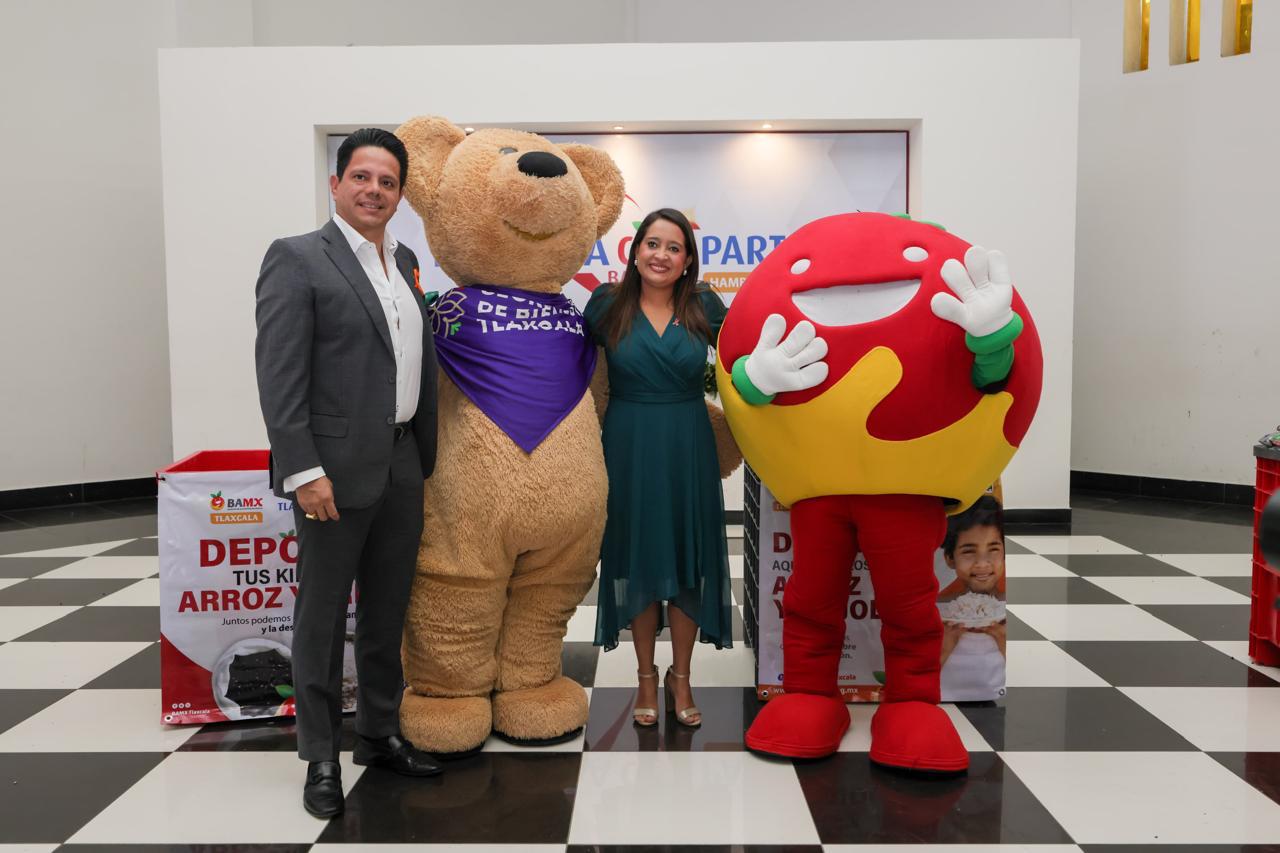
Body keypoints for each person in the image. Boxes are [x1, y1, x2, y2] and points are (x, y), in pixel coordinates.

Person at [254, 127, 442, 819]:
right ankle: (321, 755)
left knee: (388, 609)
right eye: (361, 177)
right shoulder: (298, 257)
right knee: (323, 615)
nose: (374, 190)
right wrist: (303, 468)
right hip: (330, 471)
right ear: (335, 184)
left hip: (402, 459)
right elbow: (279, 376)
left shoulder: (407, 261)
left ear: (400, 194)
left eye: (388, 181)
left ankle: (379, 731)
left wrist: (419, 455)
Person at [584, 208, 734, 729]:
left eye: (674, 247)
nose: (661, 255)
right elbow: (573, 370)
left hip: (687, 444)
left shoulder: (703, 305)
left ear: (687, 259)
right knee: (638, 559)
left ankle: (681, 678)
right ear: (635, 251)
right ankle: (646, 677)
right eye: (652, 243)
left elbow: (743, 361)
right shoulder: (607, 304)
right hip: (626, 443)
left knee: (688, 560)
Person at [938, 495, 1008, 700]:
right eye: (969, 551)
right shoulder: (939, 607)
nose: (982, 564)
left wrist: (1003, 640)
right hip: (940, 696)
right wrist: (944, 647)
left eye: (993, 549)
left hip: (992, 697)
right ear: (950, 558)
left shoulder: (1010, 608)